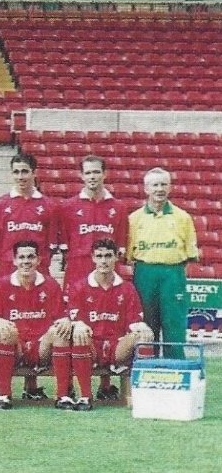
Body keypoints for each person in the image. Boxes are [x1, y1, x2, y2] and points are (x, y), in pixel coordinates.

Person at [0, 241, 68, 410]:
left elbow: (60, 317)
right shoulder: (1, 285)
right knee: (6, 330)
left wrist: (63, 322)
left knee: (60, 332)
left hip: (41, 346)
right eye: (21, 257)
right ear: (14, 260)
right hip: (15, 346)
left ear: (38, 260)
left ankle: (63, 396)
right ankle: (4, 395)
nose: (26, 261)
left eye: (31, 257)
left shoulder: (51, 285)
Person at [58, 238, 153, 410]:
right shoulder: (79, 286)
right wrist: (77, 324)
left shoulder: (127, 288)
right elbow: (73, 317)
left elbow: (135, 322)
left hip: (117, 346)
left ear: (116, 257)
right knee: (79, 333)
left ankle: (143, 396)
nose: (103, 261)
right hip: (91, 345)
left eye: (108, 256)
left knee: (145, 335)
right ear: (93, 258)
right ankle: (86, 397)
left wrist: (142, 328)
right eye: (99, 256)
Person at [127, 167, 198, 358]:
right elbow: (128, 254)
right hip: (145, 273)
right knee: (146, 322)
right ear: (146, 189)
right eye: (155, 185)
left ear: (170, 187)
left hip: (173, 273)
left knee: (173, 321)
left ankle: (175, 367)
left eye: (163, 184)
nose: (159, 189)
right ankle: (146, 366)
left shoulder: (183, 218)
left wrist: (173, 272)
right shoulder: (134, 219)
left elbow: (190, 254)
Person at [58, 155, 128, 286]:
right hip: (78, 269)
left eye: (96, 172)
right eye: (88, 173)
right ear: (82, 176)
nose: (92, 176)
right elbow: (65, 246)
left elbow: (120, 247)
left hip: (108, 269)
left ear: (104, 174)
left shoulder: (119, 207)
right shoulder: (67, 207)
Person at [0, 153, 58, 280]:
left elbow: (52, 245)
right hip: (7, 272)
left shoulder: (49, 206)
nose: (20, 177)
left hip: (39, 272)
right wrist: (9, 262)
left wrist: (37, 262)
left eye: (25, 171)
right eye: (16, 172)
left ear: (34, 172)